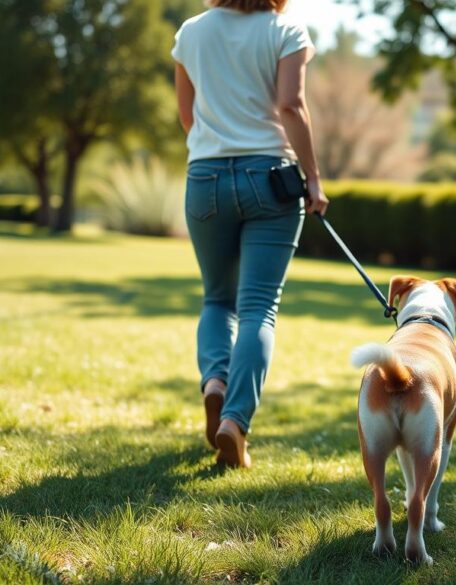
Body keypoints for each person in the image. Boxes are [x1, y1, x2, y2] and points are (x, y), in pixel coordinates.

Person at [172, 0, 328, 468]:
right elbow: (290, 106)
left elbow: (188, 116)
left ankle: (215, 383)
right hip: (270, 179)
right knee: (259, 305)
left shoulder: (191, 32)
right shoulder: (286, 30)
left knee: (218, 299)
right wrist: (314, 178)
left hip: (205, 180)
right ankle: (235, 422)